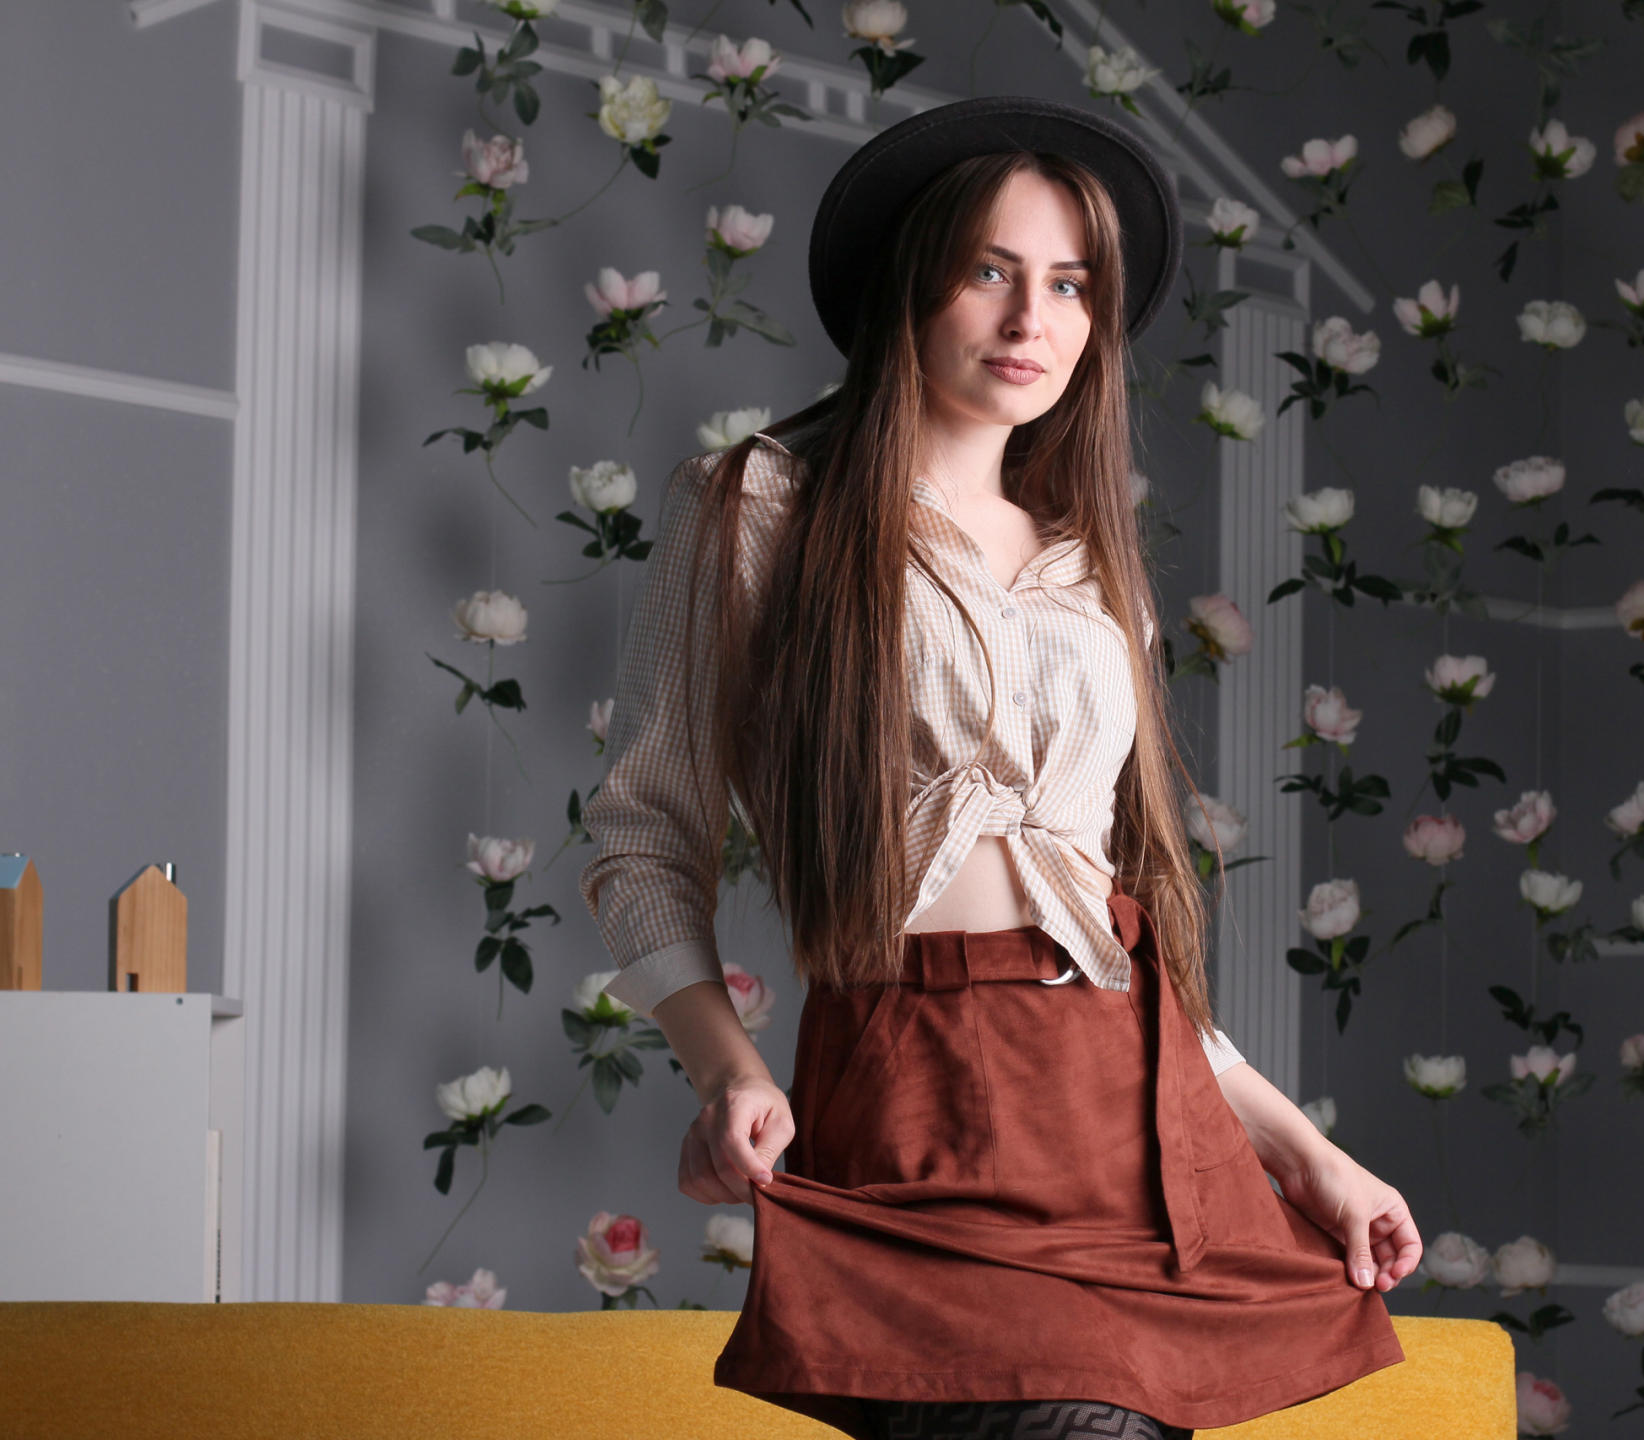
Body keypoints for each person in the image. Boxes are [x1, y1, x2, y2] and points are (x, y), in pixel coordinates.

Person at [579, 95, 1421, 1440]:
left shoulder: (1094, 567)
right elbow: (642, 831)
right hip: (914, 1084)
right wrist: (729, 1071)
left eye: (1071, 284)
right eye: (991, 270)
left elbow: (1101, 924)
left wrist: (1310, 1157)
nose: (1034, 319)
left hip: (1129, 1110)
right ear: (910, 284)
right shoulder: (757, 509)